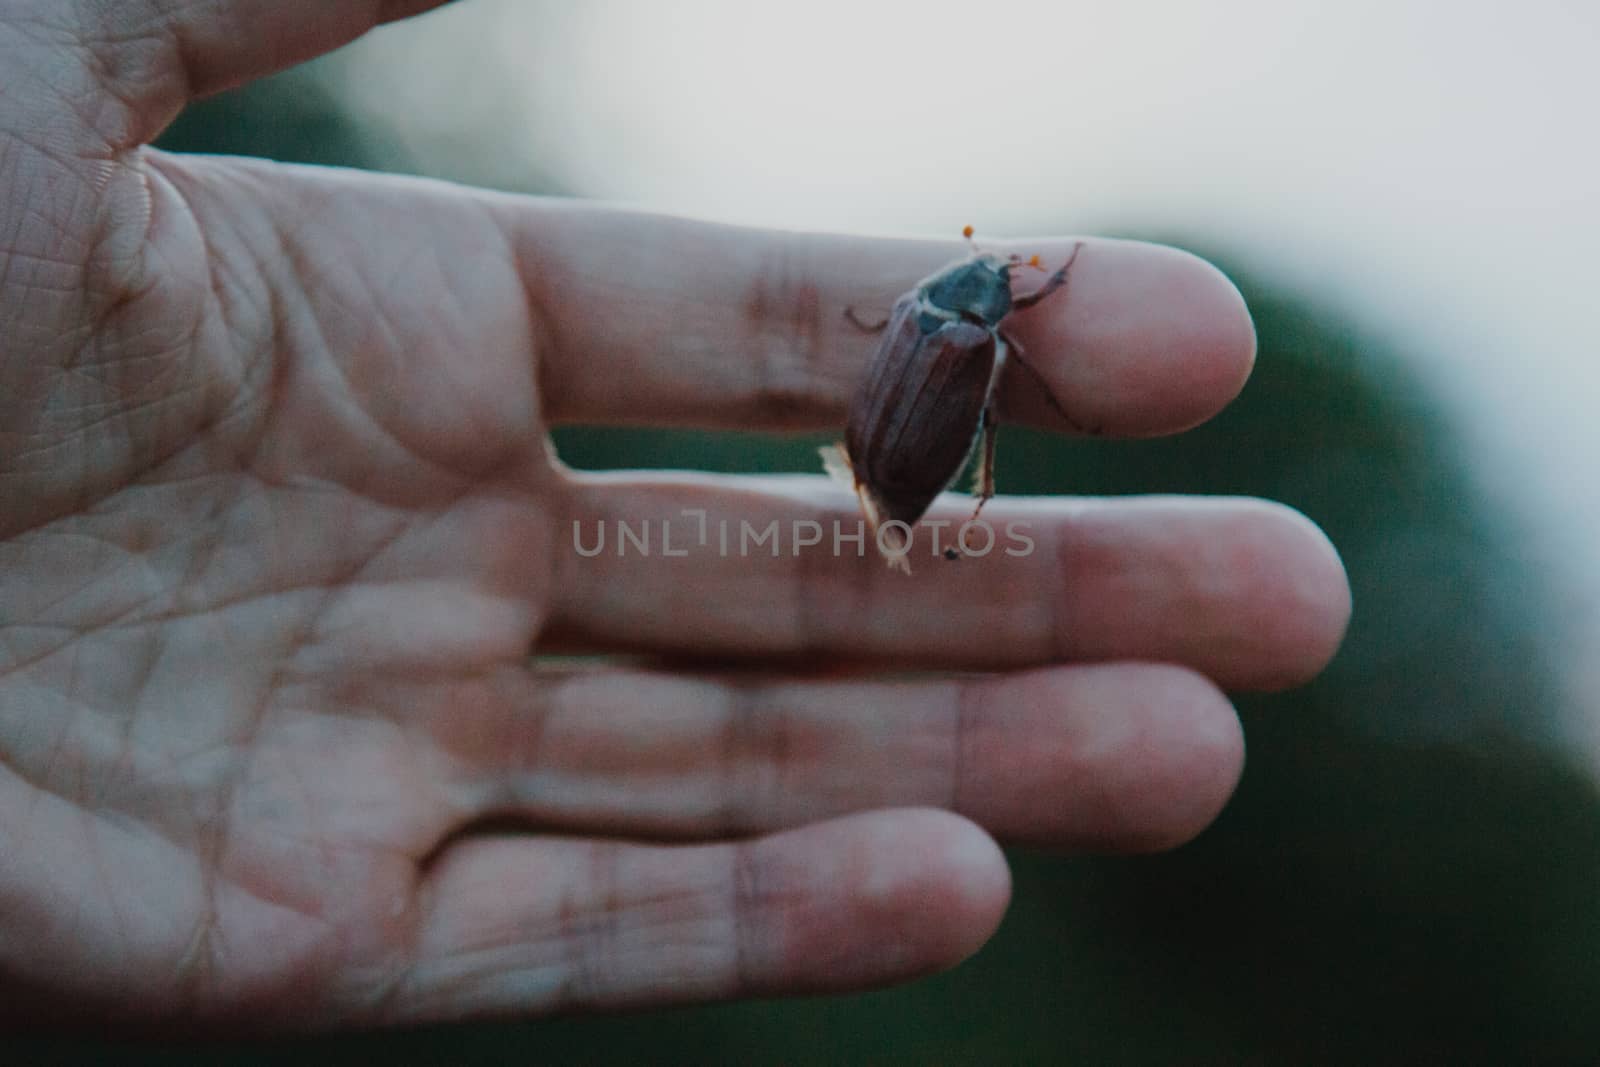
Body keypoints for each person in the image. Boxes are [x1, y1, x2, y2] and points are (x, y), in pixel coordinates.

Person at [0, 0, 1349, 1030]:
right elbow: (997, 328)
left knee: (959, 445)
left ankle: (921, 496)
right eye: (1007, 268)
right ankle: (925, 498)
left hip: (907, 421)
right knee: (963, 439)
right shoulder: (976, 323)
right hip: (913, 430)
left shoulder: (950, 319)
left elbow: (970, 331)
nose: (1006, 273)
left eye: (1011, 270)